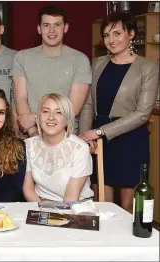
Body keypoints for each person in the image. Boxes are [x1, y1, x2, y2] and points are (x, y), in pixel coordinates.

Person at [79, 12, 159, 212]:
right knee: (100, 205)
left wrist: (99, 132)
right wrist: (85, 137)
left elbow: (142, 113)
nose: (110, 40)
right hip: (98, 142)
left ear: (131, 33)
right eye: (106, 35)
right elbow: (88, 103)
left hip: (131, 141)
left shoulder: (147, 67)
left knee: (127, 209)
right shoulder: (98, 63)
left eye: (116, 33)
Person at [11, 4, 91, 137]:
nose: (52, 30)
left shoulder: (80, 60)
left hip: (65, 138)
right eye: (46, 25)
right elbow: (21, 99)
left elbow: (73, 108)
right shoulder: (22, 57)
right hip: (30, 137)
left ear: (65, 28)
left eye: (57, 25)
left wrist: (35, 118)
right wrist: (34, 134)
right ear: (39, 29)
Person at [23, 93, 94, 203]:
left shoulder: (79, 148)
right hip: (39, 206)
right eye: (45, 111)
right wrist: (41, 212)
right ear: (38, 116)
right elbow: (28, 189)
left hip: (75, 207)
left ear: (67, 118)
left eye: (59, 112)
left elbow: (71, 198)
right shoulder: (27, 145)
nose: (51, 117)